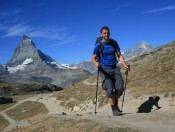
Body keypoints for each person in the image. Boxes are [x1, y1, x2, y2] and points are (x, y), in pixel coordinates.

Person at [92, 26, 129, 116]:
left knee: (120, 89)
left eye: (108, 33)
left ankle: (114, 101)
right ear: (101, 34)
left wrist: (125, 65)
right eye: (104, 33)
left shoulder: (114, 43)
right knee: (109, 90)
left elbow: (119, 55)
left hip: (115, 68)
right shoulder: (99, 45)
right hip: (104, 69)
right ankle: (114, 109)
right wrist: (96, 63)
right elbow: (93, 58)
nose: (106, 34)